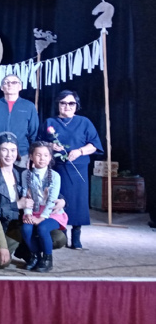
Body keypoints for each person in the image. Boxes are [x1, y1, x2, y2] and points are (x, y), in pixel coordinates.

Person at [0, 132, 67, 268]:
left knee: (58, 238)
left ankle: (33, 253)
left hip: (25, 221)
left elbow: (46, 191)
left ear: (17, 152)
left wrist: (62, 200)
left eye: (13, 150)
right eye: (4, 150)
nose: (9, 155)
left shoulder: (23, 173)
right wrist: (17, 205)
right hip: (5, 227)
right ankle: (23, 249)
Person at [39, 90, 103, 249]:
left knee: (78, 202)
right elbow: (38, 143)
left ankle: (76, 236)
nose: (67, 106)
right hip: (56, 168)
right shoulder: (50, 122)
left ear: (77, 105)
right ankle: (61, 234)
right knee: (57, 199)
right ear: (58, 105)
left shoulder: (84, 122)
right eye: (63, 103)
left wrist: (80, 151)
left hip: (78, 169)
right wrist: (50, 145)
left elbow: (94, 145)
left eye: (71, 103)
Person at [20, 141, 68, 272]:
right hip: (33, 210)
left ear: (50, 157)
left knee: (42, 228)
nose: (42, 158)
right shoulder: (25, 174)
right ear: (31, 156)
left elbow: (52, 199)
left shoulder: (55, 176)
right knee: (26, 229)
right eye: (38, 155)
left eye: (46, 155)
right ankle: (35, 256)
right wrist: (28, 213)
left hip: (51, 212)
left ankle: (47, 259)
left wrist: (41, 218)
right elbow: (26, 195)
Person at [0, 74, 38, 170]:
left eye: (14, 82)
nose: (10, 84)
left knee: (21, 179)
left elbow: (33, 133)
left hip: (22, 155)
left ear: (20, 87)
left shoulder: (29, 106)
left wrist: (31, 156)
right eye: (6, 82)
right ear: (2, 87)